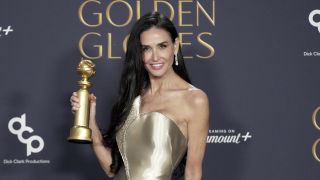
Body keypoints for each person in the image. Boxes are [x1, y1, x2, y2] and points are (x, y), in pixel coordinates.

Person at [70, 12, 209, 180]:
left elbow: (193, 173)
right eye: (146, 49)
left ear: (176, 45)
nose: (155, 56)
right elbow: (112, 170)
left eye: (162, 46)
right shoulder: (134, 97)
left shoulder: (194, 100)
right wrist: (89, 121)